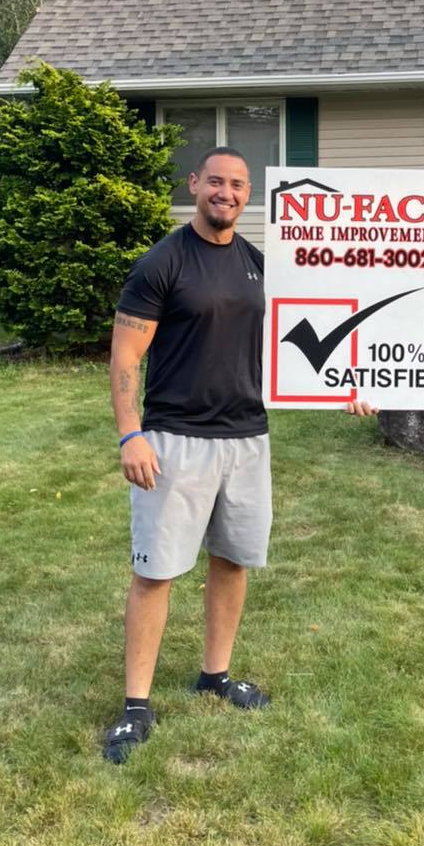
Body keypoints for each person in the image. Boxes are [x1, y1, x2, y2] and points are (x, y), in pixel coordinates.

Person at [103, 146, 374, 764]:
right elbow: (125, 357)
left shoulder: (258, 265)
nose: (226, 193)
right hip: (176, 439)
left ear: (249, 196)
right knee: (156, 572)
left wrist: (345, 388)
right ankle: (136, 705)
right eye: (216, 182)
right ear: (195, 184)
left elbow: (297, 343)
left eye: (238, 185)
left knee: (232, 561)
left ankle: (215, 675)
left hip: (248, 439)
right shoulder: (162, 263)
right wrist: (130, 433)